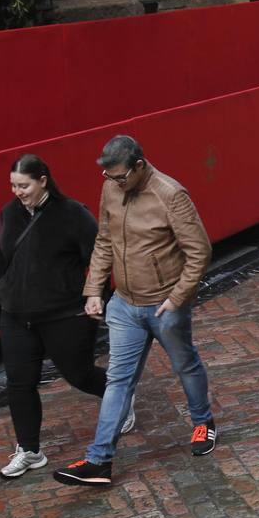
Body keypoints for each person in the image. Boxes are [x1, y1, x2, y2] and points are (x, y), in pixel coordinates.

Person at [54, 135, 215, 487]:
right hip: (125, 305)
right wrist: (94, 289)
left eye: (121, 177)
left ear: (140, 165)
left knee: (185, 364)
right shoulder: (112, 188)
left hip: (164, 306)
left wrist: (177, 298)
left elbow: (199, 252)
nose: (114, 184)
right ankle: (99, 461)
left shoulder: (171, 195)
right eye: (109, 178)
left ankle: (203, 421)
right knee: (118, 380)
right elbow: (104, 241)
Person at [0, 155, 135, 478]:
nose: (17, 192)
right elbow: (2, 256)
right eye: (13, 185)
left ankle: (121, 396)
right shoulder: (9, 213)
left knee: (78, 374)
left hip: (64, 314)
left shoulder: (72, 215)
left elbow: (99, 255)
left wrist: (98, 296)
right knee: (19, 384)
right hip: (16, 314)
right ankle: (29, 450)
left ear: (43, 180)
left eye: (23, 185)